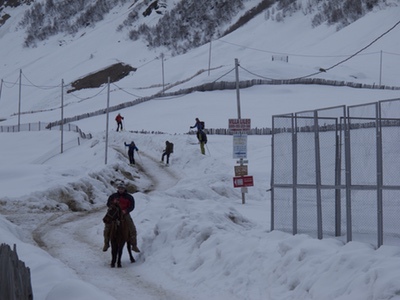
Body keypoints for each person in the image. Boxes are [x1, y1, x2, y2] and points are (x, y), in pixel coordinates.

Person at [103, 182, 140, 253]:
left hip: (124, 214)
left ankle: (134, 245)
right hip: (114, 213)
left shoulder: (129, 197)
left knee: (132, 228)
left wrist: (126, 210)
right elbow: (108, 204)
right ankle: (106, 243)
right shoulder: (113, 196)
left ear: (124, 189)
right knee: (107, 227)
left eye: (122, 188)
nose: (120, 190)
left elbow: (132, 206)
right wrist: (113, 204)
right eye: (119, 188)